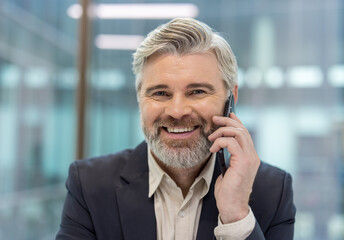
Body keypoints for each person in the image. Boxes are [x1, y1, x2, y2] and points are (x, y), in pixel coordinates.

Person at [56, 18, 295, 240]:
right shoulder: (89, 184)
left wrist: (236, 216)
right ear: (140, 98)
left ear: (230, 97)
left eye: (197, 92)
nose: (177, 111)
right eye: (160, 93)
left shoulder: (272, 191)